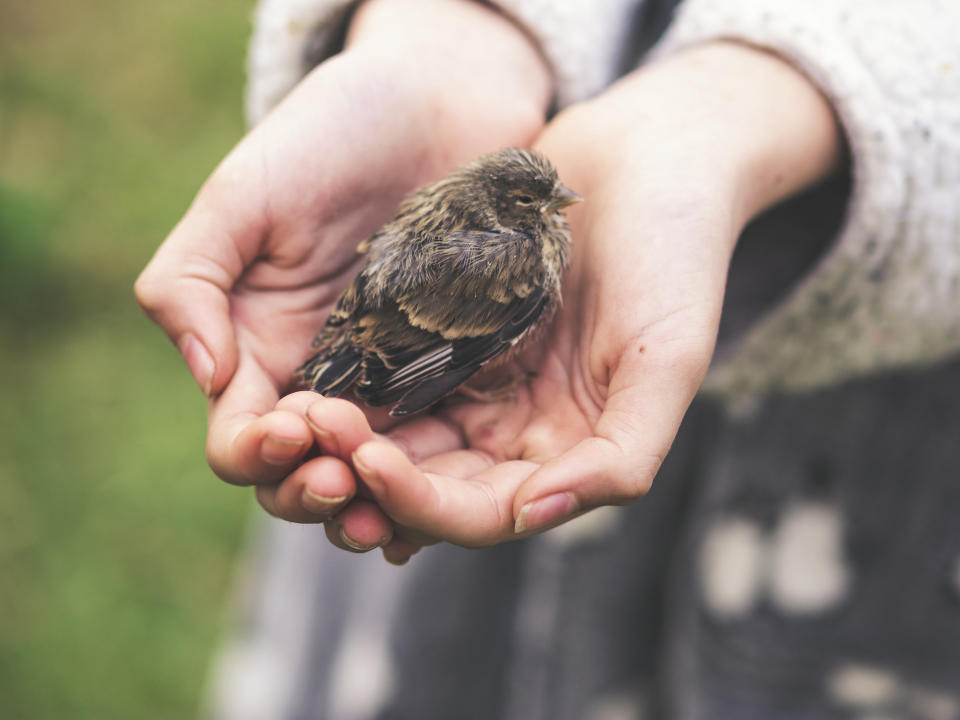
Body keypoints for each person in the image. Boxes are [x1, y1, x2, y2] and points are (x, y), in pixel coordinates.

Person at [136, 0, 960, 717]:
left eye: (551, 196)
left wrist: (731, 115)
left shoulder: (478, 222)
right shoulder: (518, 264)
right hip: (401, 343)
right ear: (507, 200)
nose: (559, 206)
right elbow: (452, 343)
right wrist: (458, 21)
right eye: (538, 200)